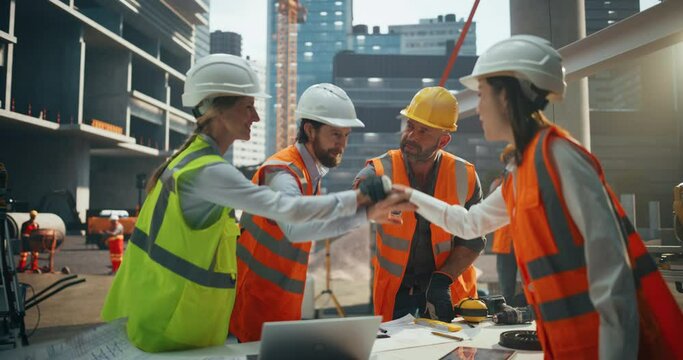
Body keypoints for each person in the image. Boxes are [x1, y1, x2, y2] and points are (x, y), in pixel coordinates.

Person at [100, 54, 413, 353]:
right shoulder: (217, 172)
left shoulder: (194, 162)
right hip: (181, 317)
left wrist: (366, 214)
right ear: (218, 110)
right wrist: (361, 199)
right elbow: (291, 216)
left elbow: (299, 227)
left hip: (169, 309)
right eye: (248, 106)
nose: (257, 117)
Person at [397, 35, 683, 359]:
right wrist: (408, 196)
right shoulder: (522, 169)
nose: (476, 108)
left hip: (599, 346)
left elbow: (614, 274)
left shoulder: (560, 157)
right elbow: (469, 223)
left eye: (482, 95)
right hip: (562, 344)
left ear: (506, 96)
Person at [230, 83, 388, 342]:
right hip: (258, 306)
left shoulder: (307, 174)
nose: (342, 145)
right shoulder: (282, 172)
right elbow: (296, 228)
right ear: (309, 130)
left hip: (279, 304)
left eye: (346, 136)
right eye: (336, 134)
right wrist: (363, 210)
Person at [353, 86, 485, 323]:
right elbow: (361, 187)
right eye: (410, 126)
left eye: (423, 131)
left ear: (443, 140)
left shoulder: (464, 175)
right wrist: (365, 193)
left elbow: (474, 239)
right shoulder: (382, 168)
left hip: (448, 289)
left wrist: (443, 278)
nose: (411, 136)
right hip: (396, 293)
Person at [488, 147, 520, 306]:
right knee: (506, 289)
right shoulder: (501, 181)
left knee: (532, 286)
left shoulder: (526, 179)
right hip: (505, 244)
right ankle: (508, 314)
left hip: (523, 243)